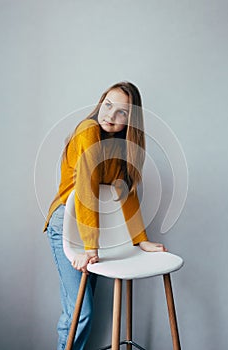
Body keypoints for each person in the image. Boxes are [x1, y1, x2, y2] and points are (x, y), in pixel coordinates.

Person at [44, 81, 167, 350]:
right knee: (80, 311)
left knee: (84, 309)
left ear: (130, 119)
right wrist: (88, 246)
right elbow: (87, 190)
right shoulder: (88, 131)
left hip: (93, 229)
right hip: (68, 224)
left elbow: (126, 192)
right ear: (101, 103)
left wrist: (140, 239)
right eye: (108, 105)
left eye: (121, 112)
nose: (110, 116)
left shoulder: (123, 145)